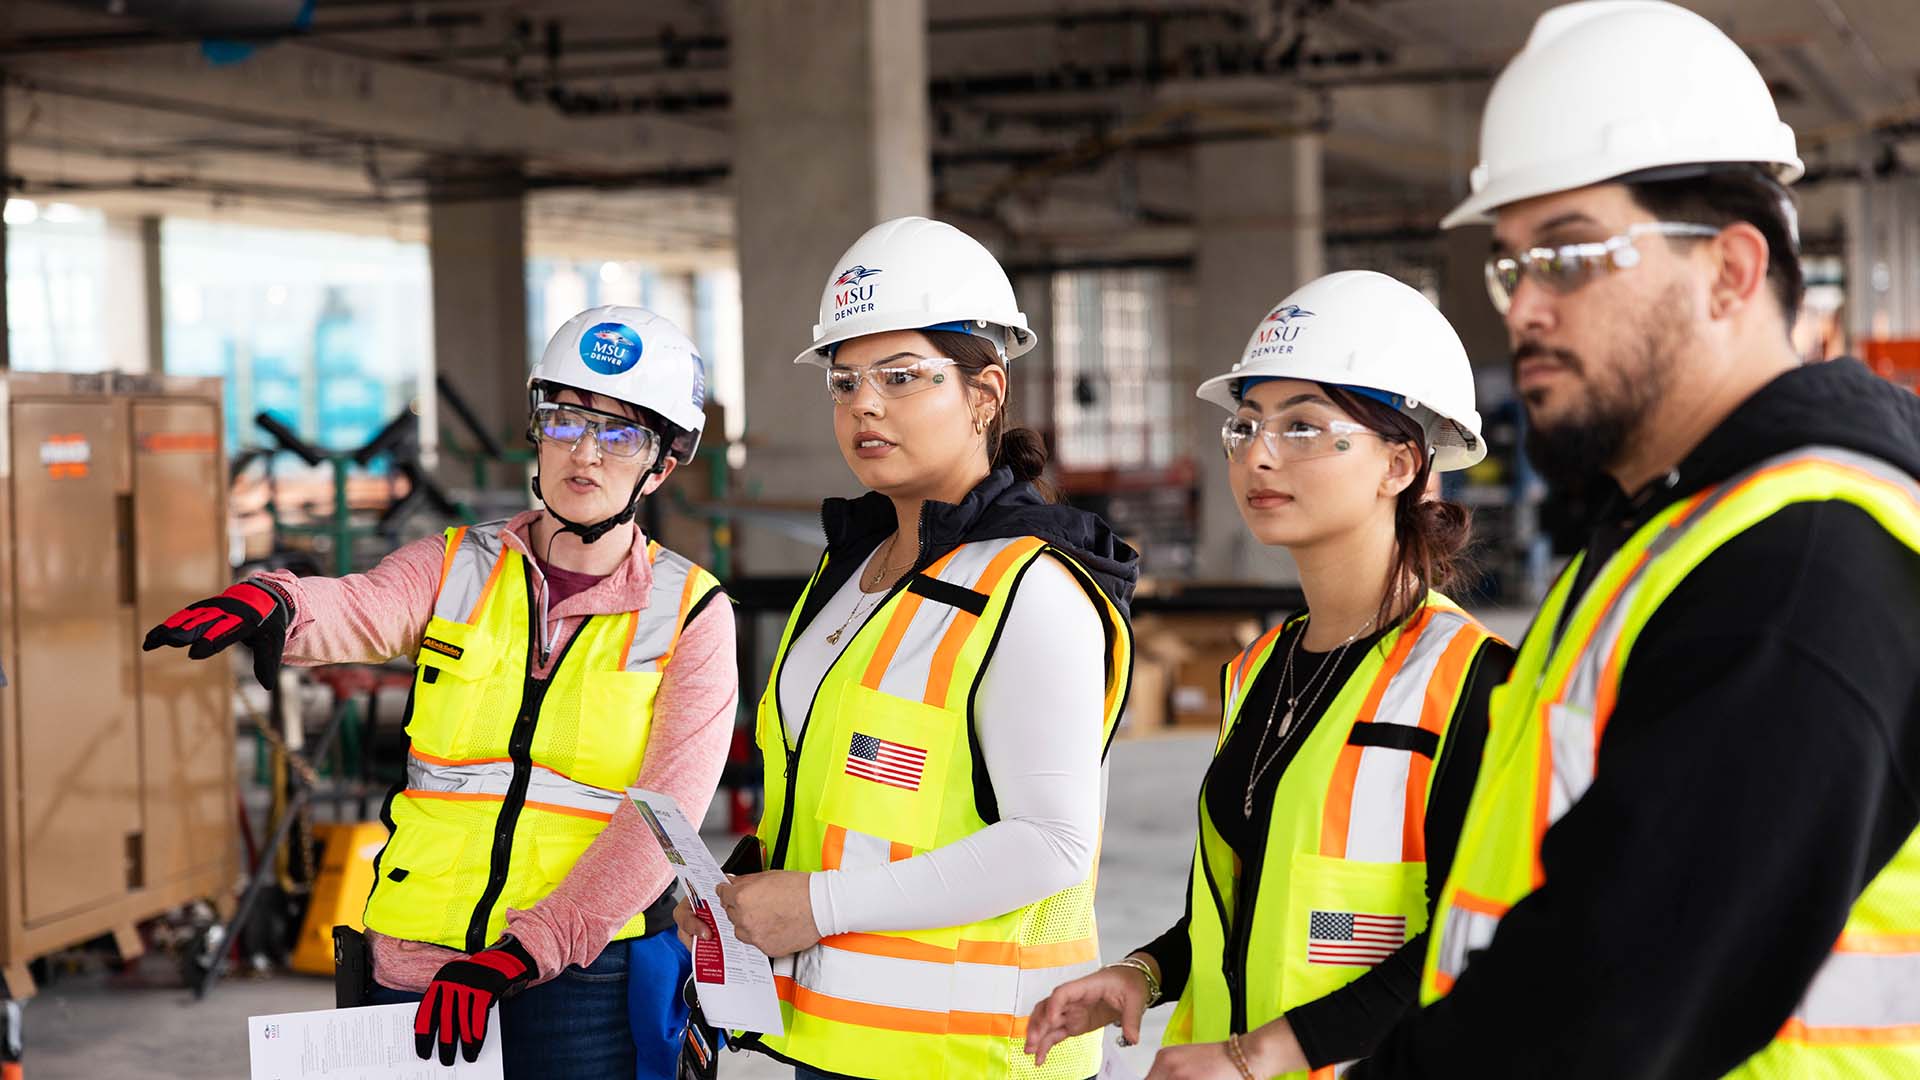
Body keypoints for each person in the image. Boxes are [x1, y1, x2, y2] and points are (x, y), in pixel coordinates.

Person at [1345, 3, 1920, 1077]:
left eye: (1569, 254)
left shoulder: (1798, 572)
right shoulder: (1667, 530)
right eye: (1511, 265)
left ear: (1732, 273)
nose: (1523, 310)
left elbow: (1597, 1018)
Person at [145, 306, 738, 1077]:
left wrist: (528, 950)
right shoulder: (459, 562)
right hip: (413, 965)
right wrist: (284, 602)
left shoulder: (691, 612)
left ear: (661, 465)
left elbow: (662, 824)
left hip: (584, 981)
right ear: (537, 431)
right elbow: (364, 604)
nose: (585, 453)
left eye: (620, 434)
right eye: (564, 421)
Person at [673, 215, 1138, 1080]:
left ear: (984, 393)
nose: (865, 405)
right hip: (831, 1043)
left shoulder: (1031, 587)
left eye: (901, 376)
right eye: (845, 381)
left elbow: (1051, 842)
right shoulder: (851, 570)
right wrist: (746, 894)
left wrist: (814, 904)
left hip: (976, 1057)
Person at [1025, 271, 1514, 1080]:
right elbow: (1239, 906)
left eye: (1304, 428)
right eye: (1246, 425)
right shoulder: (1257, 670)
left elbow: (1483, 943)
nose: (1258, 452)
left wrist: (1257, 1057)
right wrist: (1144, 973)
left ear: (1397, 464)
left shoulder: (1472, 681)